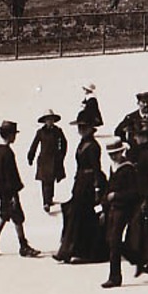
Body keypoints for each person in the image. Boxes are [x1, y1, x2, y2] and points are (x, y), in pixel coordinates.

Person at [55, 110, 108, 264]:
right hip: (80, 183)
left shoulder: (93, 146)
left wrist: (97, 188)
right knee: (76, 216)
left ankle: (68, 251)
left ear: (91, 128)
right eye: (80, 127)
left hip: (89, 185)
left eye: (84, 127)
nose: (81, 130)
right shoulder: (83, 143)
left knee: (78, 217)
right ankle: (73, 250)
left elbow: (96, 168)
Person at [0, 120, 41, 257]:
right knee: (18, 217)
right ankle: (23, 246)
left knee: (5, 215)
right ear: (10, 135)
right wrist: (13, 193)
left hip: (2, 190)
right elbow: (12, 175)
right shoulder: (8, 153)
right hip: (10, 191)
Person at [100, 138, 141, 288]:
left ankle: (115, 277)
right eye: (110, 154)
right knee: (111, 241)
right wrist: (104, 205)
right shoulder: (114, 166)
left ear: (122, 152)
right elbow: (109, 188)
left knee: (114, 241)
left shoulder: (128, 168)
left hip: (124, 209)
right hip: (113, 208)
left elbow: (135, 192)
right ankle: (136, 258)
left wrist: (117, 196)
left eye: (115, 154)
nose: (113, 157)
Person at [114, 91, 148, 195]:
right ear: (138, 103)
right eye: (143, 102)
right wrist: (125, 143)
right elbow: (118, 131)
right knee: (136, 180)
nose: (146, 105)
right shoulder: (131, 117)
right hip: (135, 155)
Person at [26, 109, 68, 212]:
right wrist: (30, 156)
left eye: (51, 119)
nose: (50, 121)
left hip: (54, 160)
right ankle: (46, 202)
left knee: (51, 180)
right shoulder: (40, 132)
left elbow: (64, 143)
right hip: (44, 160)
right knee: (45, 182)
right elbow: (34, 145)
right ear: (44, 121)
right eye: (48, 120)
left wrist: (61, 155)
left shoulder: (58, 131)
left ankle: (49, 198)